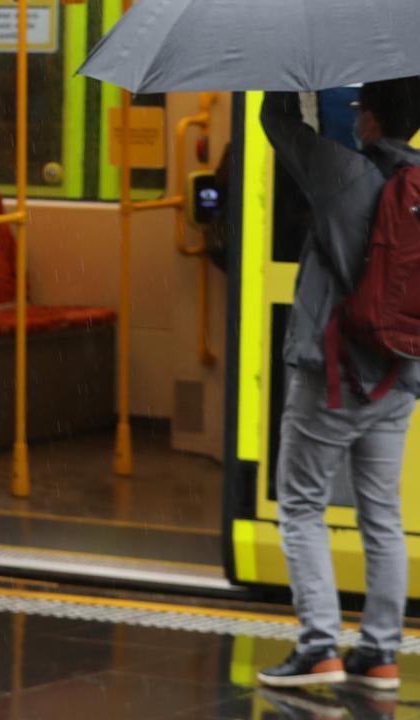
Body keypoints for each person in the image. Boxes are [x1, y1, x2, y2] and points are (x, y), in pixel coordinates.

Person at [256, 78, 420, 690]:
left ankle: (319, 645)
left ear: (370, 119)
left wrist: (282, 76)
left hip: (333, 378)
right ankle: (379, 653)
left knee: (301, 505)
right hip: (400, 377)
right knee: (382, 514)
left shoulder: (345, 174)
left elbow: (281, 130)